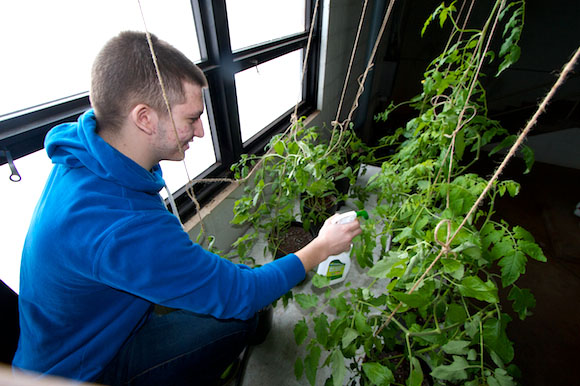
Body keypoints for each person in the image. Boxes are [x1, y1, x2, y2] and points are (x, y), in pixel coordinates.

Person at [12, 31, 361, 385]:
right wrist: (320, 247)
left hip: (73, 336)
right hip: (87, 369)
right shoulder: (121, 227)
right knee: (243, 315)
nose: (201, 132)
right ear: (145, 118)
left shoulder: (89, 152)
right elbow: (241, 295)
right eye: (191, 118)